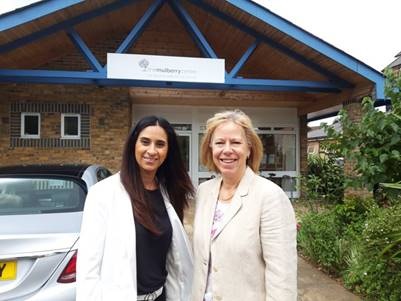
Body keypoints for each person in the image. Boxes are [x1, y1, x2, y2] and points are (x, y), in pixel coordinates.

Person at [77, 116, 194, 301]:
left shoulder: (169, 192)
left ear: (168, 151)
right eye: (145, 142)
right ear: (133, 144)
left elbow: (174, 259)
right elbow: (88, 267)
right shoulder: (103, 193)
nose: (152, 151)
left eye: (160, 144)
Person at [191, 110, 297, 301]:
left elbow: (282, 277)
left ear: (249, 149)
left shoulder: (270, 197)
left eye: (236, 142)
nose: (227, 150)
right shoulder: (204, 192)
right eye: (220, 143)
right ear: (210, 149)